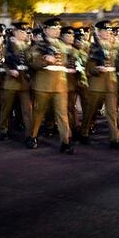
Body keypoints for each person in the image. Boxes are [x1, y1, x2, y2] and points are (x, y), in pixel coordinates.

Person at [26, 17, 74, 154]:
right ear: (45, 30)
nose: (57, 31)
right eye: (53, 29)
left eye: (58, 29)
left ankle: (65, 141)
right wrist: (45, 60)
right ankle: (33, 136)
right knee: (38, 113)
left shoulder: (63, 46)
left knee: (62, 114)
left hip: (60, 84)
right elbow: (32, 63)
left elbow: (68, 61)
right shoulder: (38, 46)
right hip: (43, 84)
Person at [80, 20, 119, 148]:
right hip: (97, 84)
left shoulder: (116, 46)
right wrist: (97, 69)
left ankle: (115, 138)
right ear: (98, 32)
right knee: (90, 111)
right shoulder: (92, 47)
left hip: (111, 83)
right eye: (105, 31)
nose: (108, 33)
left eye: (109, 31)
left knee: (112, 112)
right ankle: (84, 131)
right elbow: (88, 67)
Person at [0, 22, 33, 141]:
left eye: (25, 32)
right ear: (15, 32)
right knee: (7, 108)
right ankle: (3, 130)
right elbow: (2, 62)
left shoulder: (28, 46)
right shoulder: (7, 46)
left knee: (27, 110)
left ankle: (30, 135)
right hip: (11, 81)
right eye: (21, 32)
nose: (24, 34)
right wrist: (9, 71)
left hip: (24, 81)